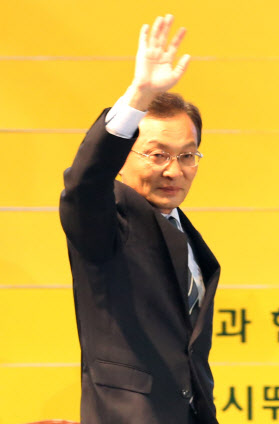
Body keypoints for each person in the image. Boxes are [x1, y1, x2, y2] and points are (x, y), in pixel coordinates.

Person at [59, 14, 220, 424]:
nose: (173, 170)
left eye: (187, 156)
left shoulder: (182, 231)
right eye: (157, 154)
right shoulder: (106, 222)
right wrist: (138, 96)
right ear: (124, 156)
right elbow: (84, 182)